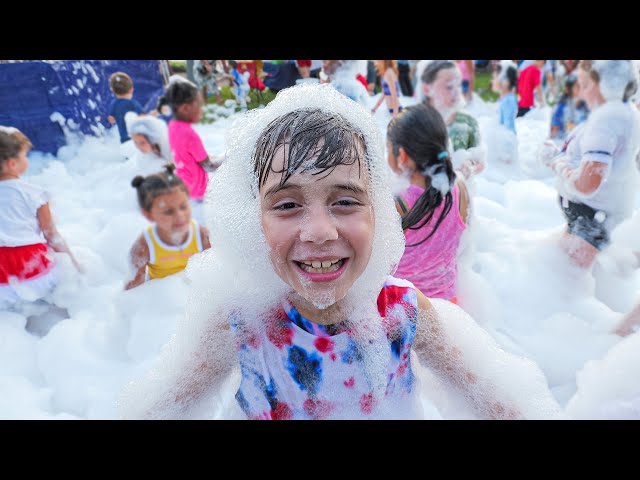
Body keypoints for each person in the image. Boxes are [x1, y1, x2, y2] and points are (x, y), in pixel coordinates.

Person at [119, 84, 561, 420]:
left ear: (380, 212)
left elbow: (501, 403)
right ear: (253, 220)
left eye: (345, 200)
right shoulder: (238, 321)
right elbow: (162, 407)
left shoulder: (404, 312)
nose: (319, 231)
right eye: (288, 204)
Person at [542, 60, 640, 269]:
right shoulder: (626, 112)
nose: (582, 93)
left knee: (565, 293)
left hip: (590, 225)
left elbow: (587, 184)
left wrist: (556, 162)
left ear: (605, 86)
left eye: (586, 85)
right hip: (599, 221)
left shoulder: (607, 119)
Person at [387, 104, 469, 302]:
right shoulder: (458, 189)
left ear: (403, 156)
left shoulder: (396, 203)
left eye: (388, 149)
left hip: (405, 312)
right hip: (449, 307)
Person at [0, 127, 82, 309]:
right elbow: (51, 235)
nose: (26, 160)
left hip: (1, 278)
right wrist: (74, 264)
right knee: (53, 292)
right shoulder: (34, 193)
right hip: (33, 268)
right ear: (12, 163)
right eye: (24, 156)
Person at [125, 164, 211, 290]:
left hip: (195, 294)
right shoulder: (144, 247)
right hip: (163, 298)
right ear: (149, 215)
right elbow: (133, 289)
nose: (180, 216)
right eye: (168, 211)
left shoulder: (202, 235)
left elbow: (214, 274)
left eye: (183, 207)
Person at [165, 78, 221, 221]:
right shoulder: (190, 135)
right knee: (204, 227)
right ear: (185, 108)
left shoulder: (172, 126)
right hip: (198, 192)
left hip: (184, 186)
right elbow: (207, 164)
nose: (201, 110)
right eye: (199, 105)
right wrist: (228, 158)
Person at [421, 60, 486, 181]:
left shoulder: (467, 122)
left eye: (458, 85)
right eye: (449, 86)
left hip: (459, 192)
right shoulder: (417, 123)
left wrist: (470, 165)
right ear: (427, 89)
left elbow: (480, 162)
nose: (457, 92)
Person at [549, 73, 589, 141]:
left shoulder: (585, 106)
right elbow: (553, 134)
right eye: (577, 86)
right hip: (564, 144)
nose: (580, 88)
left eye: (582, 86)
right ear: (568, 89)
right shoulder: (561, 108)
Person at [107, 72, 143, 143]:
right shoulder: (133, 104)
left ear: (113, 91)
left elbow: (111, 120)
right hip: (137, 141)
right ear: (131, 89)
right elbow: (144, 118)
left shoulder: (114, 104)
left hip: (124, 141)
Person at [492, 60, 519, 134]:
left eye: (495, 77)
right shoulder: (504, 99)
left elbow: (508, 128)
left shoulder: (508, 101)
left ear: (506, 82)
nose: (493, 81)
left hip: (507, 142)